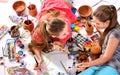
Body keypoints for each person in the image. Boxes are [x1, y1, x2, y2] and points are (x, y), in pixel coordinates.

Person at [28, 0, 77, 70]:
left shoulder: (65, 22)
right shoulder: (39, 32)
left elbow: (64, 41)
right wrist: (39, 59)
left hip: (61, 4)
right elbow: (34, 46)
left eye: (66, 31)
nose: (68, 33)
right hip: (49, 6)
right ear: (53, 36)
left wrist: (61, 43)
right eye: (64, 34)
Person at [76, 5, 120, 75]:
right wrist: (99, 30)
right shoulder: (111, 28)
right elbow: (109, 39)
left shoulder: (116, 33)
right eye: (94, 22)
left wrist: (87, 64)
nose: (95, 24)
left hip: (112, 65)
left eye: (98, 23)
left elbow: (106, 57)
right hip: (101, 63)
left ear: (107, 22)